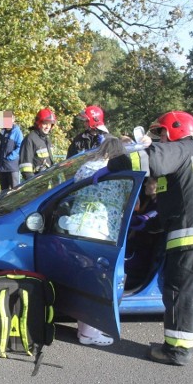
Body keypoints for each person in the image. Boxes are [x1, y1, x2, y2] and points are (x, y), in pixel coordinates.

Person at [130, 111, 193, 366]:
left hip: (192, 234)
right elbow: (182, 200)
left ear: (176, 130)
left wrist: (116, 162)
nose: (160, 139)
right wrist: (151, 222)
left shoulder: (181, 148)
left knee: (179, 293)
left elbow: (149, 162)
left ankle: (175, 351)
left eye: (162, 133)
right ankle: (183, 344)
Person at [59, 136, 133, 346]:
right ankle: (89, 334)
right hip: (100, 232)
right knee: (97, 284)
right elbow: (131, 202)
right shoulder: (122, 175)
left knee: (82, 281)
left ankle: (84, 329)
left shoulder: (86, 167)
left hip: (74, 227)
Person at [20, 108, 56, 180]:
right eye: (45, 124)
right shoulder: (30, 139)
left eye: (50, 124)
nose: (48, 127)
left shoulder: (46, 139)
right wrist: (32, 184)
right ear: (38, 123)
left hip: (47, 180)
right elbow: (25, 167)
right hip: (36, 183)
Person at [0, 111, 23, 190]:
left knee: (15, 191)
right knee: (4, 191)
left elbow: (20, 147)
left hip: (12, 166)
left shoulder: (17, 131)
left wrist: (10, 157)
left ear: (13, 119)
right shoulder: (2, 131)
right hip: (2, 166)